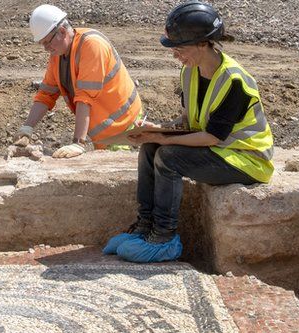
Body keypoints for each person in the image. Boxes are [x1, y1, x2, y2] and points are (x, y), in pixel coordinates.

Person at [104, 1, 275, 263]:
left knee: (169, 157)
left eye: (179, 48)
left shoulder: (234, 81)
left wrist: (162, 138)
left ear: (203, 44)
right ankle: (145, 227)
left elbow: (211, 136)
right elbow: (189, 120)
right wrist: (159, 130)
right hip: (220, 150)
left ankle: (164, 238)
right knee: (150, 149)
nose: (175, 55)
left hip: (245, 159)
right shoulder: (190, 71)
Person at [14, 4, 142, 159]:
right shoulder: (58, 54)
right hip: (104, 132)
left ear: (61, 31)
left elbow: (85, 97)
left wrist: (78, 143)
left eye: (47, 42)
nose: (46, 49)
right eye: (42, 44)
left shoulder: (92, 46)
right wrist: (27, 128)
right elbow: (46, 94)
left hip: (123, 127)